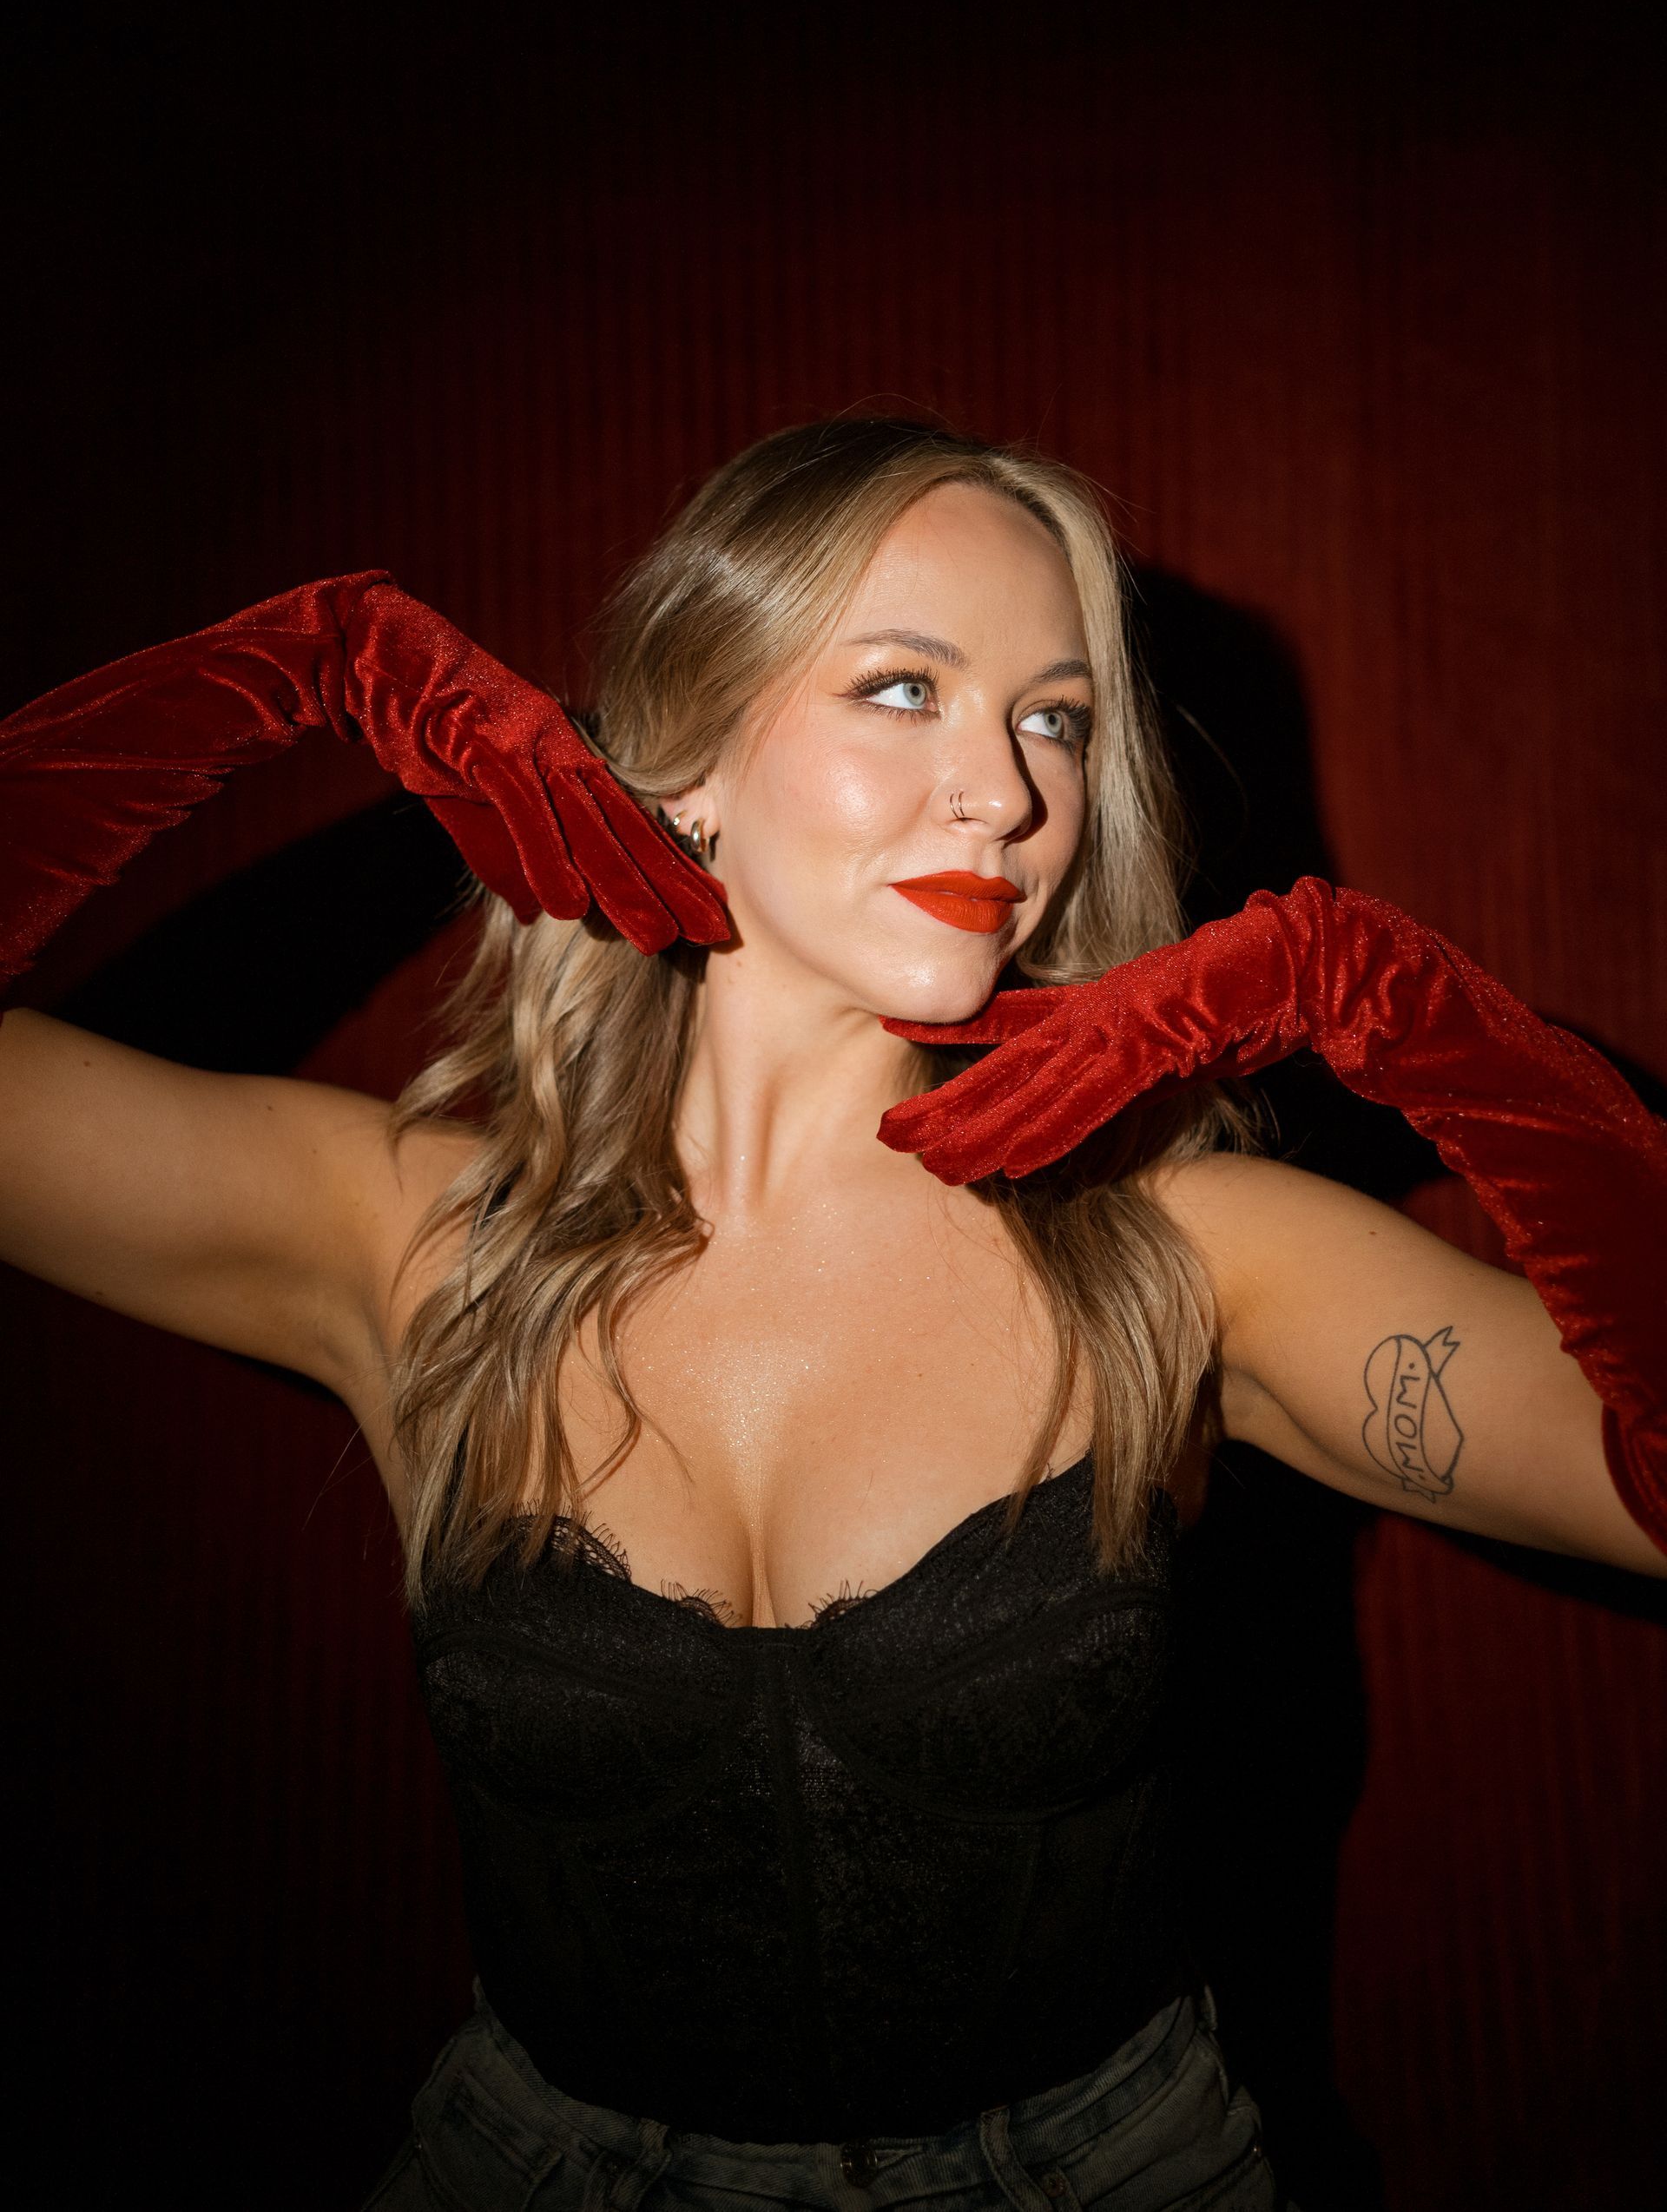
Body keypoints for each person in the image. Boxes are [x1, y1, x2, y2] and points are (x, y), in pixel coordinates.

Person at [2, 417, 1663, 2212]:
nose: (1006, 796)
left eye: (1054, 717)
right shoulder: (418, 1244)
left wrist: (1404, 1011)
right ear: (691, 755)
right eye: (901, 689)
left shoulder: (1176, 1255)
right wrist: (295, 662)